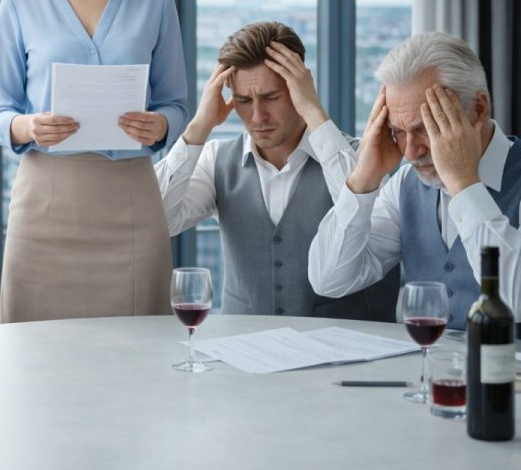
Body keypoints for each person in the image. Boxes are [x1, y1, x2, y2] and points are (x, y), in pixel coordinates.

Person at [0, 0, 188, 327]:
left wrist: (162, 125)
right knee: (35, 359)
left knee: (138, 356)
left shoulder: (156, 2)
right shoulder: (20, 4)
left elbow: (176, 104)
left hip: (130, 205)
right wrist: (27, 125)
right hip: (45, 205)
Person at [155, 21, 398, 320]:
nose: (257, 116)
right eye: (243, 101)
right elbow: (155, 222)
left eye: (270, 97)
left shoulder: (365, 159)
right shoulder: (217, 159)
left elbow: (370, 230)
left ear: (299, 90)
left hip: (344, 353)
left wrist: (314, 113)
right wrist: (198, 126)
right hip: (244, 350)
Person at [308, 32, 521, 341]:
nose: (410, 152)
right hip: (423, 377)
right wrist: (364, 178)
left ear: (478, 108)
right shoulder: (406, 184)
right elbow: (329, 280)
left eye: (425, 129)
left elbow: (514, 297)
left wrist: (463, 183)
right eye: (397, 131)